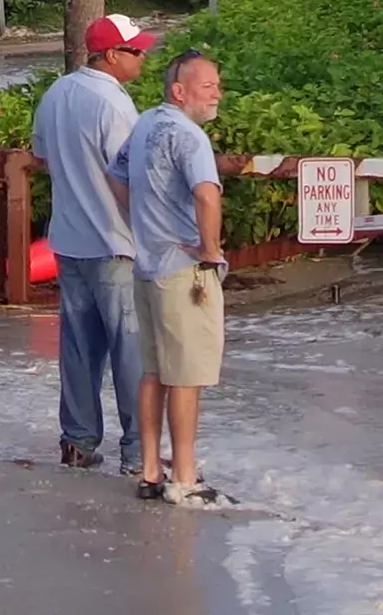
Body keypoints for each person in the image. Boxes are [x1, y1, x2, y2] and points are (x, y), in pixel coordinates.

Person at [25, 13, 155, 475]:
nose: (143, 59)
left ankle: (77, 443)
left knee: (79, 347)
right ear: (111, 55)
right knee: (131, 350)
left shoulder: (56, 94)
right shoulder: (114, 106)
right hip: (114, 241)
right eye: (137, 52)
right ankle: (139, 453)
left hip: (68, 240)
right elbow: (132, 177)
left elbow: (39, 156)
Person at [118, 53, 232, 506]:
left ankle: (150, 470)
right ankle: (184, 475)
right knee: (186, 377)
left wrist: (143, 222)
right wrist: (210, 248)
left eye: (217, 85)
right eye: (208, 86)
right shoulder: (190, 135)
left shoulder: (146, 124)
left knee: (154, 372)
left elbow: (116, 176)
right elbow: (207, 194)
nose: (217, 93)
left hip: (147, 266)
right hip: (183, 271)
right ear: (179, 90)